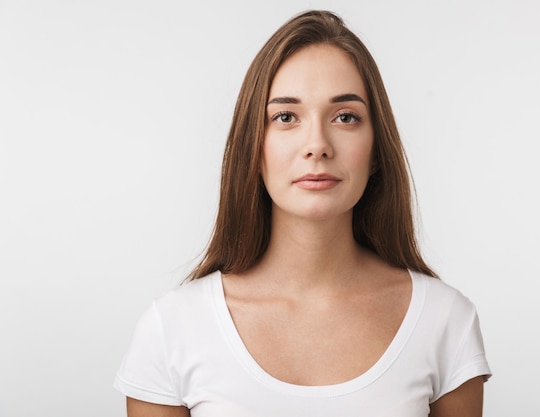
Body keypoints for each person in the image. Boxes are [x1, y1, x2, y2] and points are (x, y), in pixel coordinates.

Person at [114, 10, 491, 417]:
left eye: (345, 117)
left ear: (377, 150)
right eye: (286, 117)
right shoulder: (172, 329)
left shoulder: (444, 322)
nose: (317, 145)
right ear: (253, 148)